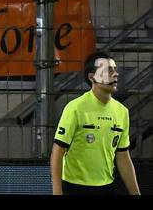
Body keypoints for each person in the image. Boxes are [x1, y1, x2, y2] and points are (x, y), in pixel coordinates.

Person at [51, 51, 141, 195]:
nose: (115, 74)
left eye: (115, 69)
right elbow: (58, 151)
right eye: (108, 70)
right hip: (74, 187)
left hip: (106, 186)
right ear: (92, 77)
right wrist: (57, 190)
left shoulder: (122, 111)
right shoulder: (75, 108)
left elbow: (123, 155)